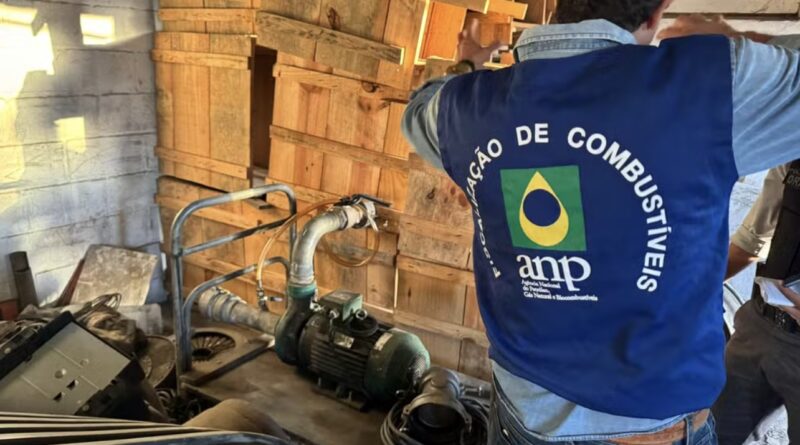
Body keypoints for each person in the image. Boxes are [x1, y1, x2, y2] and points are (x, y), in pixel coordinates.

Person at [402, 3, 800, 444]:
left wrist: (465, 65)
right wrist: (742, 41)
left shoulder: (464, 105)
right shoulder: (705, 84)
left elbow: (417, 111)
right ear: (659, 11)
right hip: (646, 426)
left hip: (518, 408)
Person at [717, 164, 800, 444]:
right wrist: (691, 290)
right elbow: (753, 239)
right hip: (758, 329)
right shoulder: (793, 147)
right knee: (711, 434)